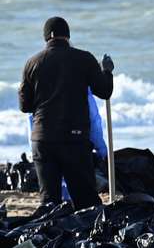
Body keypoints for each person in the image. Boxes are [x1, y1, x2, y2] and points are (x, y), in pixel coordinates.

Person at [18, 17, 113, 209]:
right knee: (86, 202)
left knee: (49, 204)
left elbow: (25, 106)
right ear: (68, 36)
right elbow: (104, 91)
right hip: (74, 139)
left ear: (46, 38)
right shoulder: (84, 58)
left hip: (42, 140)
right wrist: (107, 71)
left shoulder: (32, 63)